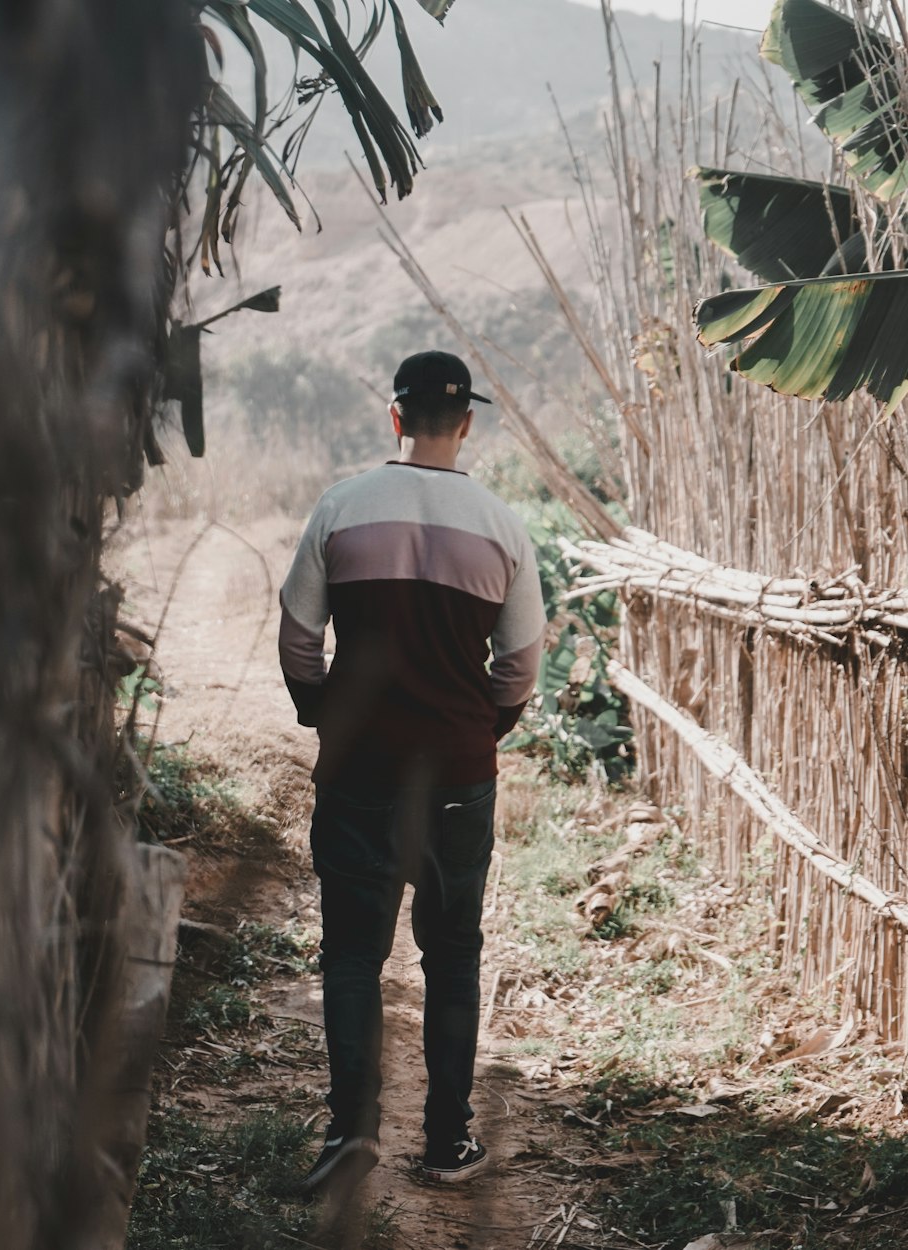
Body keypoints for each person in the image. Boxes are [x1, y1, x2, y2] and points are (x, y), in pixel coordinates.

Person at [278, 349, 546, 1195]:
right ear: (466, 424)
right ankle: (446, 1143)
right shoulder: (503, 526)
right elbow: (521, 663)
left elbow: (296, 638)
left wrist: (326, 713)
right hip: (460, 776)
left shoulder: (341, 507)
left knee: (355, 956)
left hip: (360, 771)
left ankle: (350, 1135)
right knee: (453, 954)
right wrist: (483, 728)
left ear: (395, 418)